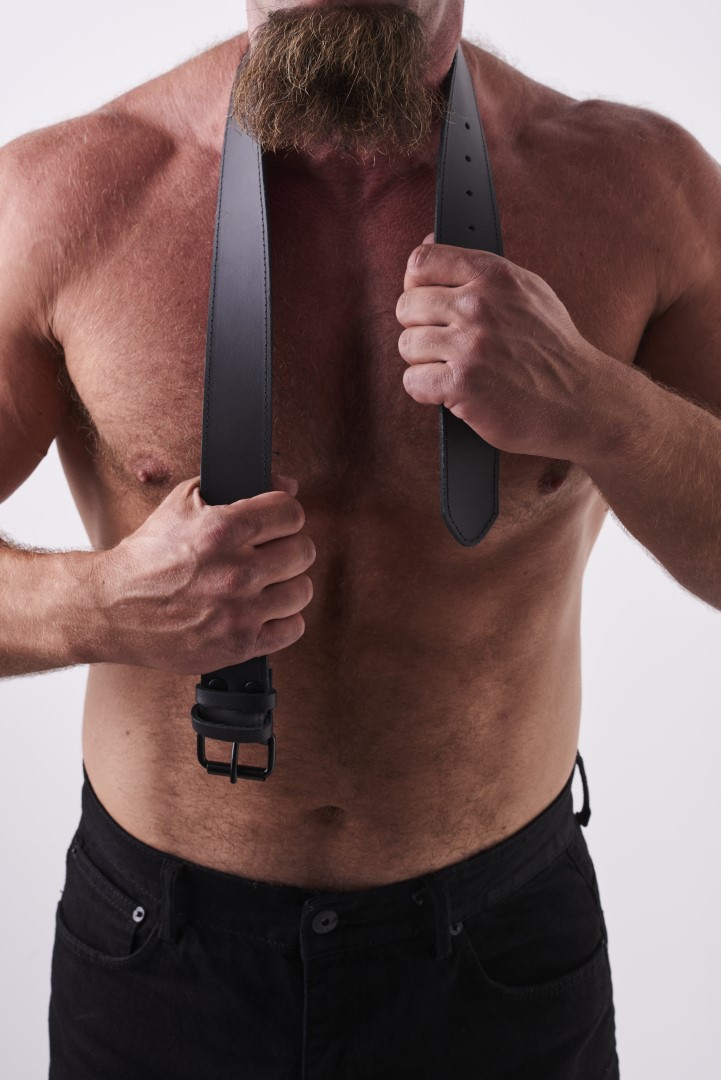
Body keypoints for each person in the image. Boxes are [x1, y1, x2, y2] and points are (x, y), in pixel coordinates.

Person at [2, 2, 720, 1077]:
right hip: (164, 957)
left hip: (500, 959)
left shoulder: (637, 191)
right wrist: (96, 605)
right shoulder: (65, 199)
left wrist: (598, 406)